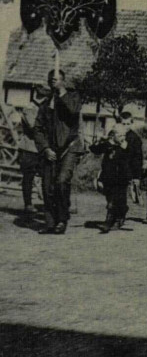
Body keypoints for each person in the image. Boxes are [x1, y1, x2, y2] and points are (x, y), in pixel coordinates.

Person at [34, 69, 82, 235]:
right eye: (51, 80)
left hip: (69, 147)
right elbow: (38, 129)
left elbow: (73, 110)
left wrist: (62, 93)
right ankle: (50, 222)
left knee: (61, 181)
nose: (53, 82)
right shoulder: (46, 104)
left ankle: (62, 220)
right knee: (48, 186)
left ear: (63, 81)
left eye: (56, 80)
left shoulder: (73, 97)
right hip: (51, 149)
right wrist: (45, 148)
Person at [90, 126, 131, 233]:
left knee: (115, 200)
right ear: (113, 136)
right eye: (120, 135)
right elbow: (95, 150)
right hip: (108, 177)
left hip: (121, 178)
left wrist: (124, 149)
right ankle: (119, 213)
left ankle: (110, 221)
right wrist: (98, 141)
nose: (123, 138)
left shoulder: (125, 146)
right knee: (110, 198)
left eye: (124, 135)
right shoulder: (108, 145)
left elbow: (129, 159)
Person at [11, 99, 41, 213]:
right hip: (29, 147)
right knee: (28, 177)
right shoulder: (30, 109)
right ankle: (28, 204)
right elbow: (33, 127)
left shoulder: (44, 108)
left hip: (42, 148)